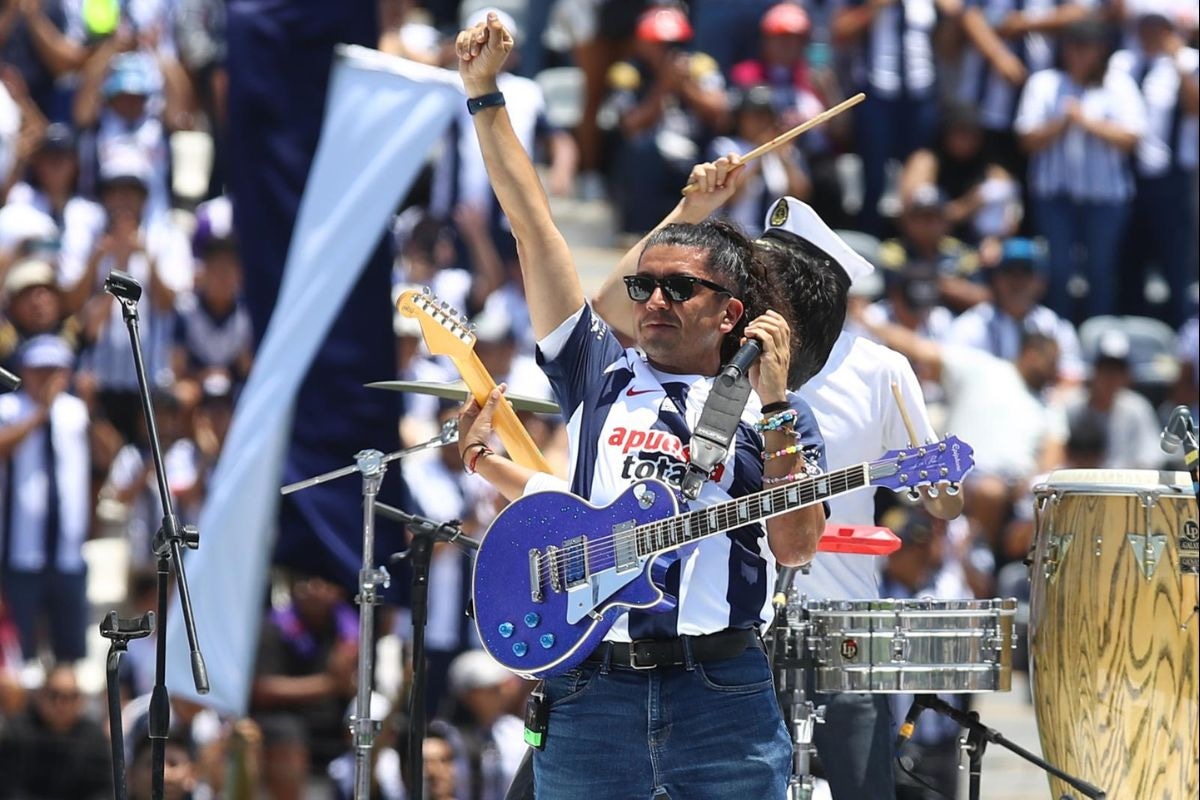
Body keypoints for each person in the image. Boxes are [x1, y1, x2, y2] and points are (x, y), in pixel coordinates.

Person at [456, 14, 825, 798]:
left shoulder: (776, 410)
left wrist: (778, 407)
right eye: (643, 287)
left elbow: (795, 547)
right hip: (592, 690)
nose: (654, 301)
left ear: (729, 313)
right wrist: (484, 93)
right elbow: (533, 229)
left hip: (722, 695)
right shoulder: (599, 373)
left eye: (679, 288)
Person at [1014, 18, 1146, 321]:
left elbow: (1132, 139)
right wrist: (1062, 123)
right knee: (1057, 271)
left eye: (1085, 46)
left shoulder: (1119, 84)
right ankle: (1059, 333)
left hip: (1106, 198)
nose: (1077, 53)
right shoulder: (1044, 83)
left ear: (1100, 50)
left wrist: (1086, 121)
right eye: (1072, 45)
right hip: (1054, 196)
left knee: (1100, 271)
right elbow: (1026, 140)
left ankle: (1098, 334)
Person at [0, 334, 90, 664]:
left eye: (54, 370)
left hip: (68, 555)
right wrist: (41, 412)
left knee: (70, 657)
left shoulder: (76, 412)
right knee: (17, 658)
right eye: (40, 370)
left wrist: (96, 408)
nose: (47, 377)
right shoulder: (8, 408)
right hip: (19, 555)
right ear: (24, 371)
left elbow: (103, 458)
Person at [1111, 2, 1200, 326]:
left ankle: (1183, 330)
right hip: (1127, 178)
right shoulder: (1123, 62)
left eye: (1158, 27)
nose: (1151, 33)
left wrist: (1178, 61)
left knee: (1176, 259)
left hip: (1173, 178)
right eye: (1145, 26)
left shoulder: (1190, 61)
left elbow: (1195, 107)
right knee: (1130, 258)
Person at [0, 664, 112, 799]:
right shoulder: (17, 733)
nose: (61, 704)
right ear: (41, 696)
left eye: (70, 697)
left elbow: (104, 791)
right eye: (54, 695)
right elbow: (8, 788)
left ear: (80, 701)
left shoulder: (94, 738)